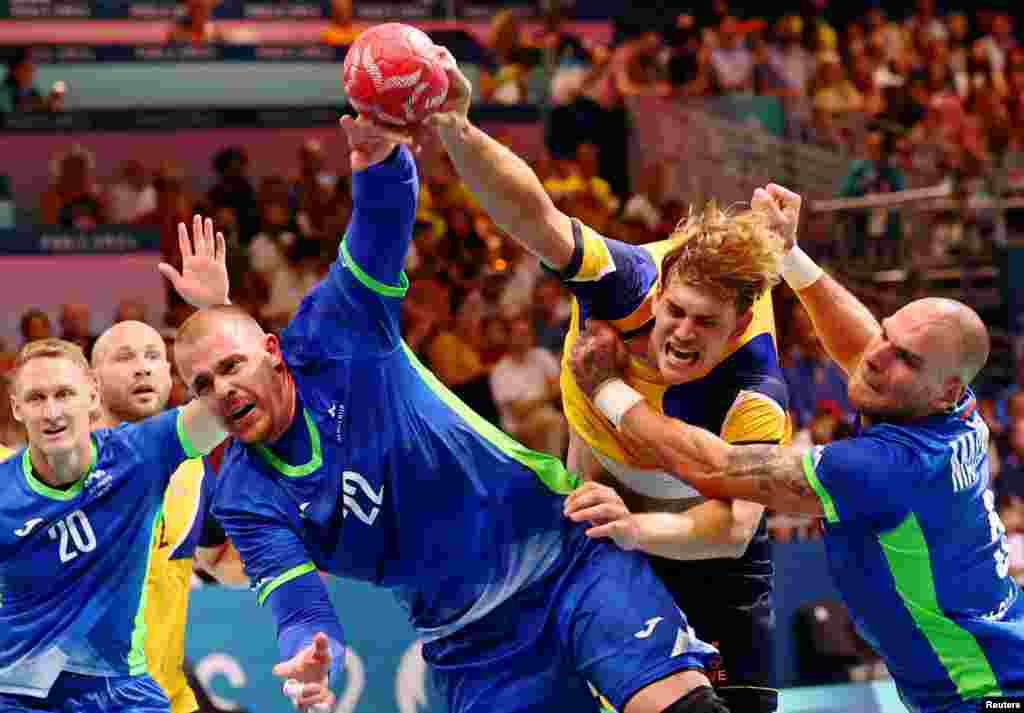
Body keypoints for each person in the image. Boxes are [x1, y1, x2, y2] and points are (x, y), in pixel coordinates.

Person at [162, 121, 732, 713]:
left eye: (232, 367)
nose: (222, 390)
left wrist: (381, 159)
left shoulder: (335, 334)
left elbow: (379, 227)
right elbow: (299, 605)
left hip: (564, 555)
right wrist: (307, 650)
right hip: (471, 641)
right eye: (203, 385)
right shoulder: (245, 497)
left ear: (274, 352)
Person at [565, 183, 1024, 712]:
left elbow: (715, 465)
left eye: (905, 358)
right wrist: (792, 257)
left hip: (984, 697)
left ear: (941, 385)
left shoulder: (886, 469)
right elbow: (866, 350)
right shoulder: (953, 408)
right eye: (887, 337)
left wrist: (607, 390)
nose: (877, 358)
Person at [423, 48, 788, 711]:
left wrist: (636, 526)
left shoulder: (756, 389)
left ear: (736, 327)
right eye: (673, 310)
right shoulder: (626, 284)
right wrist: (457, 129)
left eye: (703, 324)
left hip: (708, 556)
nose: (678, 331)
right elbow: (534, 215)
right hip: (601, 508)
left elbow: (734, 526)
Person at [0, 324, 225, 712]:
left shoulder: (143, 458)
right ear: (17, 407)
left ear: (91, 394)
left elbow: (235, 399)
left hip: (125, 691)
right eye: (36, 398)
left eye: (64, 394)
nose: (52, 411)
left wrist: (216, 310)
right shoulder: (5, 486)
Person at [90, 319, 248, 713]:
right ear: (90, 383)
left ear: (168, 374)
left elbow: (220, 559)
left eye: (153, 357)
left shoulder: (192, 471)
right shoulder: (58, 469)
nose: (141, 367)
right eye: (124, 358)